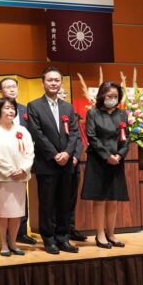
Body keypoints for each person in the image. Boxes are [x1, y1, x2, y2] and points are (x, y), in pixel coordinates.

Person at [26, 67, 80, 254]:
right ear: (43, 83)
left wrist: (67, 153)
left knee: (65, 203)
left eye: (57, 80)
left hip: (66, 164)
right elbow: (37, 133)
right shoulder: (34, 106)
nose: (54, 83)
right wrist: (55, 154)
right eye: (50, 80)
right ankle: (48, 239)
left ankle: (63, 238)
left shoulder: (68, 107)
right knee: (47, 204)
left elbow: (74, 133)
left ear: (61, 83)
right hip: (47, 163)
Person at [81, 82, 129, 249]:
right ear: (102, 96)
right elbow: (92, 137)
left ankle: (111, 234)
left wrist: (120, 155)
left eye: (115, 96)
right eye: (109, 96)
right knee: (100, 199)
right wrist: (107, 156)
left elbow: (126, 138)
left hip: (117, 160)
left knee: (113, 199)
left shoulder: (122, 114)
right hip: (99, 160)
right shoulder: (93, 112)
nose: (112, 99)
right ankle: (100, 234)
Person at [0, 98, 34, 257]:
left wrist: (23, 168)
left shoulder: (22, 130)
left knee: (16, 213)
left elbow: (30, 152)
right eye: (6, 108)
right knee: (2, 213)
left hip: (20, 178)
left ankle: (13, 243)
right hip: (1, 178)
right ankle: (3, 244)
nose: (10, 111)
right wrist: (11, 170)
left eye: (12, 108)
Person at [0, 77, 37, 246]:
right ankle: (4, 237)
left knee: (21, 200)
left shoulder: (25, 109)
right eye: (8, 87)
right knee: (4, 204)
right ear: (1, 92)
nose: (12, 89)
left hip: (22, 163)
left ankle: (21, 232)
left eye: (14, 86)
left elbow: (32, 135)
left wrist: (25, 165)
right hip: (3, 165)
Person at [61, 91, 87, 243]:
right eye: (60, 93)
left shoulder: (72, 114)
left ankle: (71, 228)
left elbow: (77, 138)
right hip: (57, 162)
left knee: (71, 198)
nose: (63, 95)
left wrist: (76, 156)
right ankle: (58, 230)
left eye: (64, 93)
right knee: (58, 200)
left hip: (73, 163)